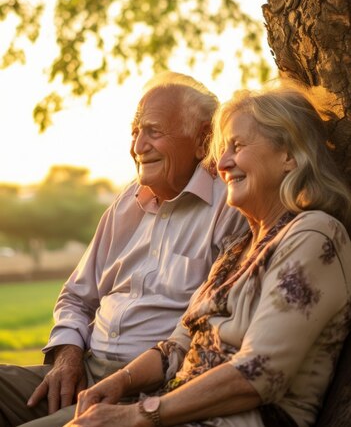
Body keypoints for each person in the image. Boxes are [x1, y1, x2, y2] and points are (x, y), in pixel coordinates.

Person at [65, 83, 351, 427]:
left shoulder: (314, 236)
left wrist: (137, 414)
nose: (222, 162)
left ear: (288, 156)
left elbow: (257, 374)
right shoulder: (238, 247)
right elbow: (177, 345)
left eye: (238, 146)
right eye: (222, 148)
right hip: (176, 409)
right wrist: (118, 382)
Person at [0, 72, 246, 427]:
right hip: (83, 369)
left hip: (148, 387)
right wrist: (67, 359)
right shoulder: (125, 204)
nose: (137, 146)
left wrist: (127, 381)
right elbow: (75, 297)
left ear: (204, 139)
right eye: (135, 131)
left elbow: (210, 331)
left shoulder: (229, 207)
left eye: (153, 131)